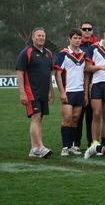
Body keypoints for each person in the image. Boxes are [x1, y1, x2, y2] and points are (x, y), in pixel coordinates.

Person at [16, 27, 54, 158]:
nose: (41, 38)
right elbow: (20, 73)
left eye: (43, 35)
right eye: (38, 35)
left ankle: (34, 149)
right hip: (31, 92)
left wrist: (51, 91)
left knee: (39, 119)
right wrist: (22, 93)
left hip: (44, 92)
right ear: (33, 38)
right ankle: (41, 147)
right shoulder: (26, 52)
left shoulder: (48, 53)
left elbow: (49, 74)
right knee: (36, 117)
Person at [55, 28, 88, 156]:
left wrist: (85, 93)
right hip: (68, 91)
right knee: (67, 119)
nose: (78, 40)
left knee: (75, 120)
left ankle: (73, 146)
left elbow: (86, 75)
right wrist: (62, 92)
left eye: (79, 38)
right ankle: (65, 147)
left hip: (80, 92)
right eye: (75, 38)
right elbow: (58, 74)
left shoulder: (84, 55)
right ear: (69, 39)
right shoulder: (63, 53)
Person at [78, 21, 99, 147]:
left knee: (91, 116)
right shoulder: (75, 45)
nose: (86, 31)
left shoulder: (97, 46)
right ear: (81, 30)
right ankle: (75, 143)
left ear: (92, 31)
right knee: (77, 117)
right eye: (84, 29)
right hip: (77, 85)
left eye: (89, 29)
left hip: (93, 86)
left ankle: (91, 143)